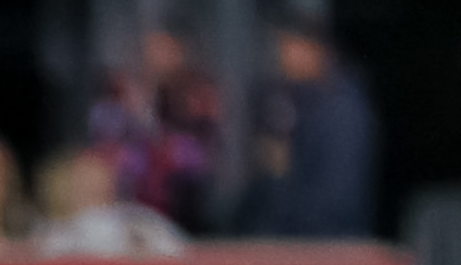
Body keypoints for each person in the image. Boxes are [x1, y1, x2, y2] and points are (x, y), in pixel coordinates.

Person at [237, 15, 376, 238]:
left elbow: (336, 197)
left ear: (317, 51)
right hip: (287, 241)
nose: (283, 57)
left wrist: (280, 179)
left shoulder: (342, 110)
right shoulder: (285, 101)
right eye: (281, 47)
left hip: (330, 244)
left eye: (291, 47)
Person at [89, 26, 220, 234]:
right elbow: (106, 140)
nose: (158, 56)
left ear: (180, 51)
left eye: (167, 48)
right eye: (154, 48)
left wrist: (161, 149)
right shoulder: (124, 87)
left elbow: (198, 153)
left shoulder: (197, 91)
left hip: (181, 195)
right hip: (132, 194)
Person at [32, 148, 186, 257]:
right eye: (86, 180)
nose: (96, 184)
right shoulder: (51, 234)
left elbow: (181, 253)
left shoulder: (141, 220)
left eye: (101, 176)